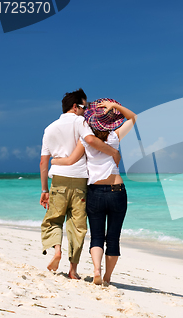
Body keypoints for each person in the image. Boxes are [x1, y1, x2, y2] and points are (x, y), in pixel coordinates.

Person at [52, 98, 137, 285]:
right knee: (113, 237)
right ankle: (106, 278)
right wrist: (115, 107)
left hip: (95, 192)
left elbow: (70, 161)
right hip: (117, 190)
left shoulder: (86, 140)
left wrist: (54, 161)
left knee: (97, 236)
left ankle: (96, 270)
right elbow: (133, 118)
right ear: (111, 121)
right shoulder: (115, 136)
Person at [40, 89, 121, 279]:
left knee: (53, 219)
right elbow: (91, 140)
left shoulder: (50, 128)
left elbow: (44, 162)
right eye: (84, 107)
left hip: (58, 180)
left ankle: (57, 250)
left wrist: (44, 189)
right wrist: (113, 152)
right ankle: (73, 270)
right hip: (80, 181)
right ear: (75, 107)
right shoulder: (81, 122)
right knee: (77, 226)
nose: (86, 111)